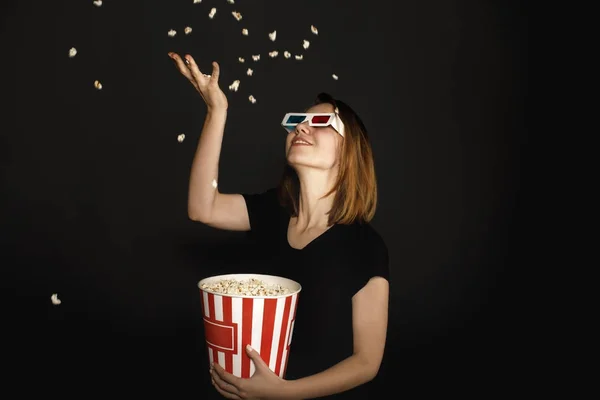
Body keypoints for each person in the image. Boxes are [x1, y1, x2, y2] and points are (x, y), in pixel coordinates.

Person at [168, 52, 390, 399]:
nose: (300, 127)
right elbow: (202, 207)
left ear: (350, 151)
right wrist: (217, 111)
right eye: (298, 121)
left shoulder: (365, 246)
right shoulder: (272, 211)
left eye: (319, 123)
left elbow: (366, 362)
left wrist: (282, 393)